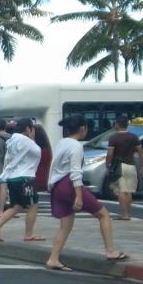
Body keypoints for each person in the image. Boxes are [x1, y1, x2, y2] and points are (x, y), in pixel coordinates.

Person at [45, 114, 128, 271]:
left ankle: (53, 258)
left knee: (65, 225)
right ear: (83, 128)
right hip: (69, 184)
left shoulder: (62, 143)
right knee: (103, 214)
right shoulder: (76, 146)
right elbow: (76, 172)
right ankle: (110, 251)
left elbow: (54, 166)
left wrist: (51, 186)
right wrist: (78, 196)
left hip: (57, 185)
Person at [0, 117, 45, 245]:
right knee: (33, 205)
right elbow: (37, 151)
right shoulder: (26, 141)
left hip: (13, 178)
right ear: (28, 129)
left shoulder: (12, 140)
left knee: (17, 206)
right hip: (25, 178)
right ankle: (28, 234)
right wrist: (32, 138)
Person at [105, 116, 143, 220]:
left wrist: (107, 164)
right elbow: (141, 152)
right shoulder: (134, 137)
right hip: (131, 165)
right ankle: (127, 213)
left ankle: (123, 214)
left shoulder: (113, 137)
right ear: (127, 125)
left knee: (121, 190)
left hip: (119, 166)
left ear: (117, 124)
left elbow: (110, 154)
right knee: (129, 191)